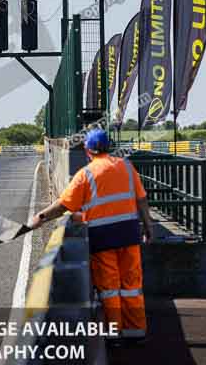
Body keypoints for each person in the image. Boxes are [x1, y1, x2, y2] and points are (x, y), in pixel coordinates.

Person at [28, 129, 153, 345]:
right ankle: (137, 331)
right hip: (129, 234)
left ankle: (114, 334)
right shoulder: (126, 166)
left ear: (87, 150)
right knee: (132, 284)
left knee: (109, 288)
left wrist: (41, 216)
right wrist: (148, 226)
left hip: (103, 238)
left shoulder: (85, 174)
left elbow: (63, 206)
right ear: (109, 146)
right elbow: (141, 198)